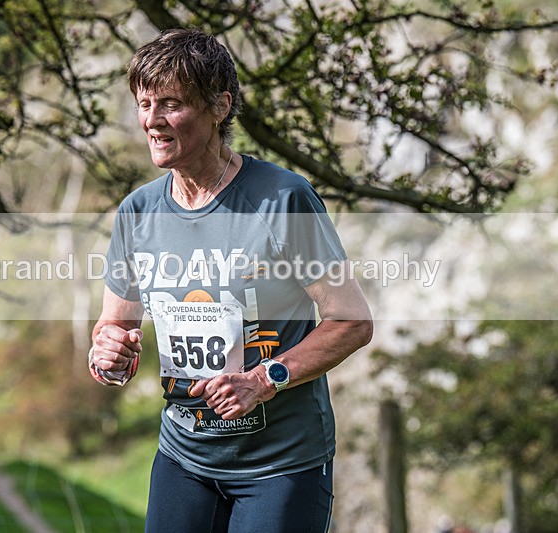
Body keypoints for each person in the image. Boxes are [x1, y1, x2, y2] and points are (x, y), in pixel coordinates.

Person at [88, 28, 373, 533]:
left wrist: (263, 380)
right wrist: (108, 353)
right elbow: (114, 327)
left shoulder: (282, 199)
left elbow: (351, 321)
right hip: (183, 458)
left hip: (280, 465)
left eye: (171, 104)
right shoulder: (138, 211)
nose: (152, 121)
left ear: (220, 106)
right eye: (144, 103)